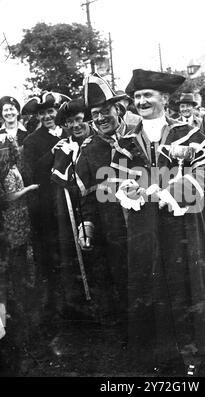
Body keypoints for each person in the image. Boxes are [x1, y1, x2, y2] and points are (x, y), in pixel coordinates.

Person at [111, 68, 205, 376]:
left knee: (184, 281)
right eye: (137, 97)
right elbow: (115, 178)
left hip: (181, 222)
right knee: (150, 281)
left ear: (165, 98)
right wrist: (128, 189)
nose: (142, 101)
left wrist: (174, 192)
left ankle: (192, 351)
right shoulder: (125, 140)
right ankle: (155, 351)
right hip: (144, 225)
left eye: (148, 95)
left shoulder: (187, 134)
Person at [76, 73, 128, 339]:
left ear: (118, 109)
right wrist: (87, 225)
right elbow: (86, 198)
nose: (100, 118)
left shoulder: (137, 139)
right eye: (95, 114)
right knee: (118, 276)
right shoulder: (88, 150)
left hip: (145, 225)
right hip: (112, 229)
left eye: (105, 111)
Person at [22, 91, 71, 327]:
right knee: (50, 254)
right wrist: (52, 153)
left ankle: (77, 299)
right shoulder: (32, 141)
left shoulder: (71, 132)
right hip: (46, 203)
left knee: (71, 248)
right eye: (42, 113)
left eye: (51, 111)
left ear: (57, 111)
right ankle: (54, 306)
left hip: (70, 199)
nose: (48, 116)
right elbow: (29, 173)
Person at [50, 98, 95, 319]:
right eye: (70, 122)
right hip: (79, 204)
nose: (76, 126)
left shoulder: (99, 140)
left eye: (79, 119)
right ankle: (85, 301)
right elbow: (64, 181)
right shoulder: (63, 146)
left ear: (86, 118)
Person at [0, 135, 39, 374]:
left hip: (21, 216)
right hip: (13, 217)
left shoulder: (13, 166)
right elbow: (7, 197)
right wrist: (29, 189)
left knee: (22, 252)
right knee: (14, 254)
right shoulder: (4, 171)